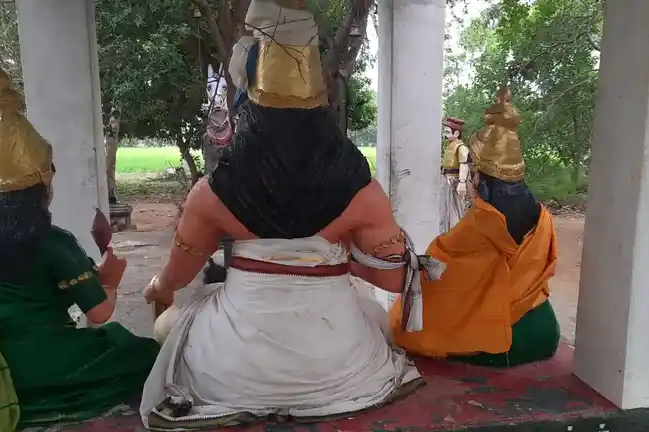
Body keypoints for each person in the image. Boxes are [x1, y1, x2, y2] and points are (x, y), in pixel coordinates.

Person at [138, 0, 441, 429]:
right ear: (321, 106)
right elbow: (394, 279)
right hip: (341, 367)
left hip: (230, 368)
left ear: (249, 104)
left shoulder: (211, 194)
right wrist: (332, 259)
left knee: (169, 326)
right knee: (376, 319)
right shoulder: (363, 192)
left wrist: (157, 288)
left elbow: (177, 278)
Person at [0, 63, 160, 431]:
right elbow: (99, 314)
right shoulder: (50, 241)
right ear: (40, 183)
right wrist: (111, 279)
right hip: (49, 360)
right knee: (141, 352)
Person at [391, 87, 560, 367]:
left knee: (406, 324)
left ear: (480, 178)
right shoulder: (541, 214)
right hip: (542, 327)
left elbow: (442, 262)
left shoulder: (483, 221)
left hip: (502, 339)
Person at [439, 117, 470, 233]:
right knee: (446, 209)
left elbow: (464, 164)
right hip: (446, 180)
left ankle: (455, 232)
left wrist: (462, 182)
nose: (445, 135)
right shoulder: (449, 146)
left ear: (456, 133)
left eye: (447, 132)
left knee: (455, 209)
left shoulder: (461, 148)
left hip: (455, 181)